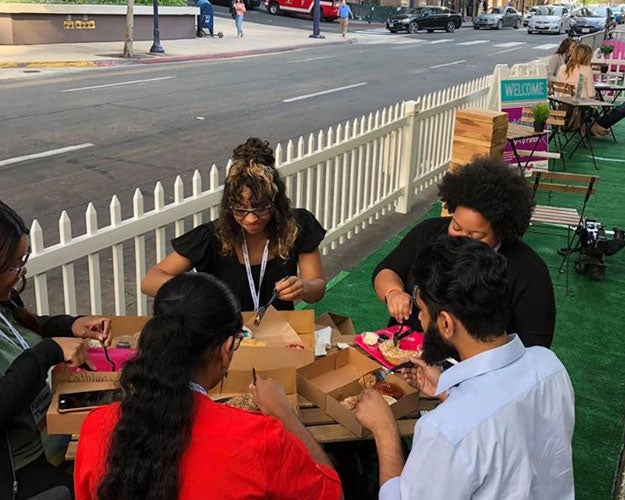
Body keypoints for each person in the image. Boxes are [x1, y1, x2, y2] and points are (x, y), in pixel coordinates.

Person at [74, 272, 342, 500]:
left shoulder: (96, 427)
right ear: (226, 348)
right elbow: (332, 493)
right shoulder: (260, 438)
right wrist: (287, 416)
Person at [356, 236, 575, 499]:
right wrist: (448, 392)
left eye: (422, 311)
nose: (421, 320)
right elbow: (509, 429)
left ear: (446, 323)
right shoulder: (549, 365)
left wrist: (384, 430)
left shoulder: (445, 430)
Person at [372, 157, 556, 348]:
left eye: (476, 235)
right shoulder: (428, 233)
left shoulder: (529, 272)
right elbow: (386, 270)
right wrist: (393, 292)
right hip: (403, 350)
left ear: (502, 232)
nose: (462, 240)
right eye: (456, 227)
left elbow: (535, 343)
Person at [0, 201, 111, 500]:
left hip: (46, 436)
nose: (20, 273)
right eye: (13, 265)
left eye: (23, 260)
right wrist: (48, 351)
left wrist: (71, 325)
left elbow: (20, 329)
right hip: (15, 472)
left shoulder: (4, 300)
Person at [141, 138, 327, 312]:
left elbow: (317, 288)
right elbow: (150, 281)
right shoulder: (212, 237)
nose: (251, 219)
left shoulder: (296, 227)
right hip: (224, 339)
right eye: (240, 209)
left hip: (279, 335)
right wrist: (195, 294)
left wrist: (303, 288)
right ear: (229, 207)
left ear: (276, 204)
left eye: (261, 208)